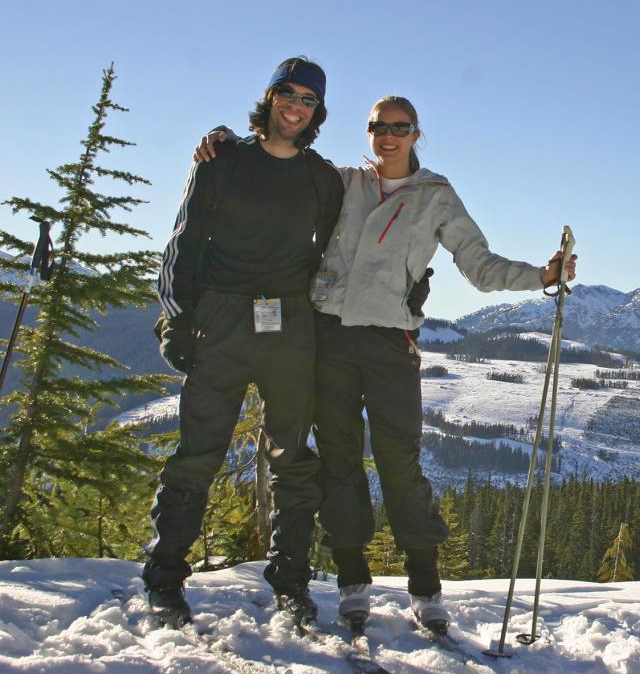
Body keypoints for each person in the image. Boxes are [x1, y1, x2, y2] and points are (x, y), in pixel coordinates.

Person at [197, 95, 576, 634]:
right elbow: (279, 159)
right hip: (327, 335)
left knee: (401, 461)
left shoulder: (436, 196)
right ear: (368, 131)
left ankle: (425, 588)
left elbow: (479, 265)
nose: (389, 136)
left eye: (400, 127)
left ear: (417, 134)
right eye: (379, 126)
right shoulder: (342, 180)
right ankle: (353, 582)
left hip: (390, 343)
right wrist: (226, 140)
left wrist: (541, 275)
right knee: (339, 460)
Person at [147, 57, 345, 629]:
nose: (297, 106)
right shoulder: (223, 162)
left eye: (309, 100)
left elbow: (338, 251)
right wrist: (178, 320)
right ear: (270, 96)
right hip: (222, 322)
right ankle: (164, 579)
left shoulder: (322, 178)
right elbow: (183, 244)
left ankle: (291, 584)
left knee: (293, 461)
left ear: (318, 112)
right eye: (289, 93)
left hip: (290, 327)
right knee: (198, 457)